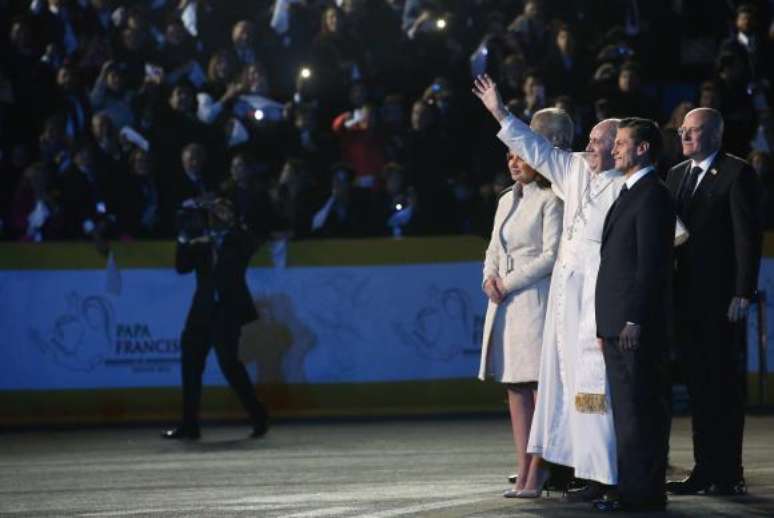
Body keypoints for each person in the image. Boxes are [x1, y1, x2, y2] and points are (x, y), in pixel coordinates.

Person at [473, 73, 623, 501]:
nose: (589, 148)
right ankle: (584, 475)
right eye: (589, 142)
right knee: (571, 393)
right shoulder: (571, 170)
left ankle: (602, 475)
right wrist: (500, 112)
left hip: (595, 302)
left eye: (597, 143)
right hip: (564, 304)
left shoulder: (624, 183)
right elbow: (532, 148)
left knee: (591, 394)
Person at [665, 108, 762, 495]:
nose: (685, 136)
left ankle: (729, 471)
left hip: (723, 300)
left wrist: (742, 291)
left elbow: (746, 240)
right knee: (700, 387)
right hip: (686, 300)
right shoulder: (675, 175)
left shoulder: (738, 174)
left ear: (716, 135)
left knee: (724, 386)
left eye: (694, 130)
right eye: (683, 130)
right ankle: (705, 468)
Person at [595, 117, 676, 512]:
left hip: (634, 326)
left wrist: (634, 319)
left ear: (643, 148)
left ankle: (644, 493)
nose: (615, 149)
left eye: (623, 142)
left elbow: (652, 266)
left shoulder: (653, 195)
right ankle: (633, 490)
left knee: (641, 410)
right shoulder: (629, 192)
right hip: (616, 325)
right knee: (627, 413)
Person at [477, 131, 562, 497]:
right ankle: (522, 464)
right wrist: (489, 277)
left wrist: (507, 283)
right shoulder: (504, 200)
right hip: (505, 302)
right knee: (515, 384)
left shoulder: (551, 199)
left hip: (534, 298)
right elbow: (493, 247)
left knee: (538, 385)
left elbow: (551, 254)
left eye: (520, 156)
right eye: (509, 156)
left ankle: (539, 467)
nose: (513, 162)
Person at [162, 198, 269, 440]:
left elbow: (251, 244)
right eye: (215, 208)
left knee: (229, 364)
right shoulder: (201, 239)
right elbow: (182, 267)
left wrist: (231, 224)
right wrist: (184, 235)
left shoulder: (238, 238)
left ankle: (258, 415)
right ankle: (189, 425)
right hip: (201, 310)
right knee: (190, 364)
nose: (218, 212)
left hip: (227, 309)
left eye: (224, 208)